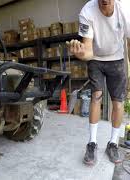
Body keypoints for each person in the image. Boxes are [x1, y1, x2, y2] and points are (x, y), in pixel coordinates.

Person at [68, 0, 130, 165]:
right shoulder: (87, 12)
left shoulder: (126, 8)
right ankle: (92, 143)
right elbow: (87, 51)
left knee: (118, 101)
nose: (105, 1)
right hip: (95, 58)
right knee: (96, 96)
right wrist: (80, 53)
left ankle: (113, 143)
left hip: (117, 58)